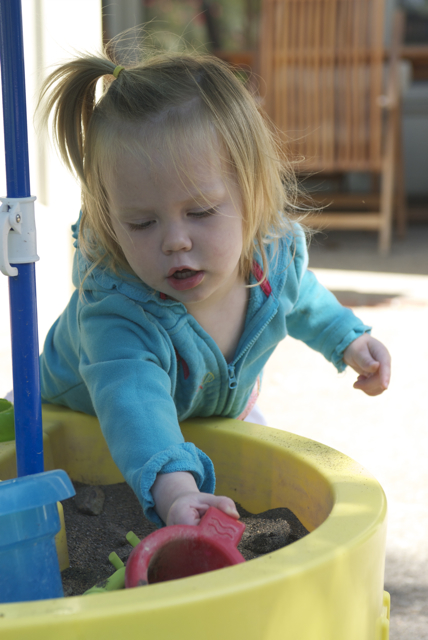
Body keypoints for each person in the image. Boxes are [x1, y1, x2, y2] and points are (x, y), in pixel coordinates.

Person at [38, 45, 391, 529]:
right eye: (141, 223)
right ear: (109, 218)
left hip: (212, 413)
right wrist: (178, 491)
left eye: (201, 212)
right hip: (87, 426)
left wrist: (347, 338)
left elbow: (300, 297)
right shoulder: (117, 312)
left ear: (252, 192)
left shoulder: (270, 259)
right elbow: (133, 405)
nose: (175, 241)